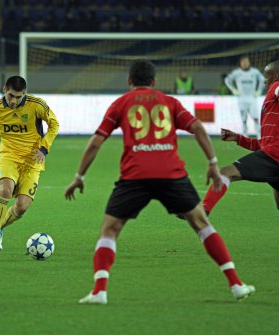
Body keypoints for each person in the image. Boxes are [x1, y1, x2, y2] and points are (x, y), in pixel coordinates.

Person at [64, 60, 254, 304]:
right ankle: (236, 284)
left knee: (110, 230)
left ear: (129, 81)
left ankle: (99, 291)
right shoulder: (170, 102)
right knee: (201, 223)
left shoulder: (120, 103)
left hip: (135, 176)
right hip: (171, 174)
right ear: (154, 82)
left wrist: (79, 177)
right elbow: (198, 128)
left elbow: (95, 142)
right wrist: (213, 163)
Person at [0, 76, 59, 251]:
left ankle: (0, 227)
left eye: (18, 96)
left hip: (32, 160)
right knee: (5, 190)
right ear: (4, 89)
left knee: (22, 207)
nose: (14, 101)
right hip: (9, 156)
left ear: (24, 93)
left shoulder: (37, 105)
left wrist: (44, 148)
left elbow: (54, 124)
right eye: (11, 96)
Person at [203, 60, 279, 219]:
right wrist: (238, 138)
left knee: (226, 173)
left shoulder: (277, 87)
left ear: (275, 76)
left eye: (266, 76)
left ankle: (203, 210)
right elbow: (263, 145)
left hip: (275, 157)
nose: (264, 80)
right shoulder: (276, 111)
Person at [225, 55, 265, 138]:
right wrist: (233, 89)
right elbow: (227, 80)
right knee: (244, 119)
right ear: (240, 63)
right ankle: (245, 136)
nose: (245, 64)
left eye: (246, 62)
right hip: (241, 99)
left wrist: (259, 90)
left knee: (256, 118)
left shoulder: (255, 72)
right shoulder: (237, 73)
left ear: (249, 62)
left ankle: (259, 136)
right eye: (243, 62)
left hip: (252, 99)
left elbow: (263, 80)